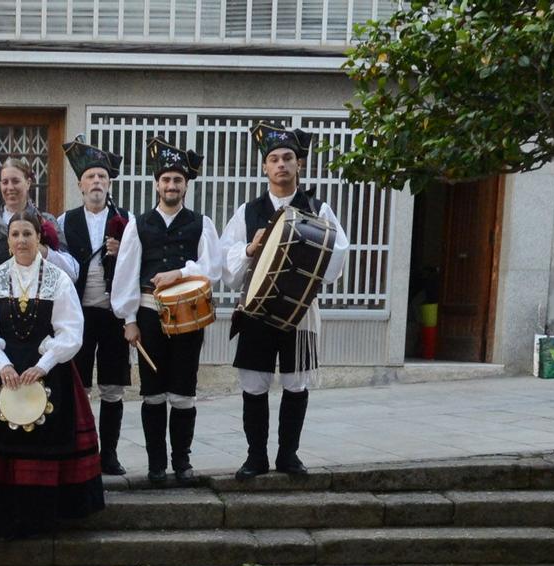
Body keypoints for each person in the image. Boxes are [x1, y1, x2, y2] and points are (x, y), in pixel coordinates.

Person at [220, 119, 349, 479]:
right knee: (254, 383)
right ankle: (255, 457)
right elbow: (226, 262)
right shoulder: (247, 211)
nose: (281, 164)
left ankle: (288, 455)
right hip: (257, 310)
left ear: (299, 164)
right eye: (274, 158)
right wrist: (250, 248)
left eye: (287, 158)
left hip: (300, 310)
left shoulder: (318, 208)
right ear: (264, 166)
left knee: (296, 382)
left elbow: (337, 251)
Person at [0, 212, 102, 530]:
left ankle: (42, 520)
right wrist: (2, 364)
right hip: (4, 373)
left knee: (44, 442)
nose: (21, 241)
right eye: (15, 234)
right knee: (2, 444)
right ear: (8, 240)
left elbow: (71, 331)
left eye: (27, 234)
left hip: (48, 372)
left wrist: (42, 365)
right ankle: (3, 520)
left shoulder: (58, 279)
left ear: (39, 238)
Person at [113, 137, 221, 484]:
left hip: (189, 315)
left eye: (177, 180)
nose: (171, 185)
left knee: (184, 391)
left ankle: (183, 463)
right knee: (153, 392)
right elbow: (127, 273)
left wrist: (181, 272)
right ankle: (156, 465)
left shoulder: (201, 223)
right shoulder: (138, 224)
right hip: (148, 313)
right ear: (157, 183)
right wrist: (129, 320)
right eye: (166, 179)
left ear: (186, 185)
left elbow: (213, 268)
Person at [60, 139, 131, 476]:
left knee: (113, 385)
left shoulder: (127, 220)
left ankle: (111, 454)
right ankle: (81, 450)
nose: (97, 183)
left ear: (109, 183)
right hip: (78, 314)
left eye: (102, 177)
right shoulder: (64, 221)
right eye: (91, 177)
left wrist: (123, 252)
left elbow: (137, 267)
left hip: (114, 313)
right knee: (79, 384)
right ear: (80, 184)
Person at [0, 161, 79, 292]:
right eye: (5, 182)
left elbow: (72, 273)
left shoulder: (46, 221)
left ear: (28, 183)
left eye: (15, 181)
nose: (10, 187)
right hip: (2, 304)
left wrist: (43, 251)